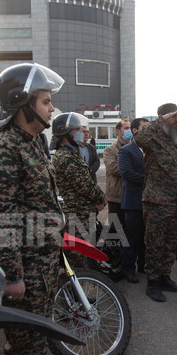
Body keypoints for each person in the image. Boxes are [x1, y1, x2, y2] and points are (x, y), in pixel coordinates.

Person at [0, 62, 65, 355]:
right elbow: (2, 218)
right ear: (23, 103)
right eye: (45, 101)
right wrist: (14, 276)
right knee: (24, 346)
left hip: (43, 264)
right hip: (26, 272)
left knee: (37, 340)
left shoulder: (35, 143)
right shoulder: (2, 148)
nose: (52, 107)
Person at [133, 104, 177, 302]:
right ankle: (153, 282)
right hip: (158, 202)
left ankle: (165, 277)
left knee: (171, 244)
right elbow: (138, 139)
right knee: (155, 244)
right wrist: (160, 120)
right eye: (173, 118)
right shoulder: (153, 139)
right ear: (163, 118)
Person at [52, 112, 107, 268]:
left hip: (82, 213)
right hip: (76, 215)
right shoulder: (66, 156)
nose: (82, 134)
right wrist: (101, 197)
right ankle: (76, 290)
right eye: (77, 130)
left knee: (83, 256)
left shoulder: (71, 153)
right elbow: (84, 184)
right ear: (66, 133)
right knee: (77, 260)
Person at [118, 118, 149, 284]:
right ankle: (128, 269)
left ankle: (143, 265)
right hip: (133, 201)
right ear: (136, 131)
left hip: (148, 200)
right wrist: (149, 179)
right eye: (145, 128)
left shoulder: (150, 149)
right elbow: (127, 173)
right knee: (132, 236)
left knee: (146, 235)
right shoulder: (126, 151)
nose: (148, 131)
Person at [102, 119, 131, 277]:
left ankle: (126, 263)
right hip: (116, 197)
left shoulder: (136, 148)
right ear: (118, 131)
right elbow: (114, 168)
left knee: (129, 232)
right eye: (126, 128)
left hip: (132, 197)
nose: (129, 130)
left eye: (130, 128)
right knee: (115, 232)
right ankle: (112, 263)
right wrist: (131, 167)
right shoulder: (110, 150)